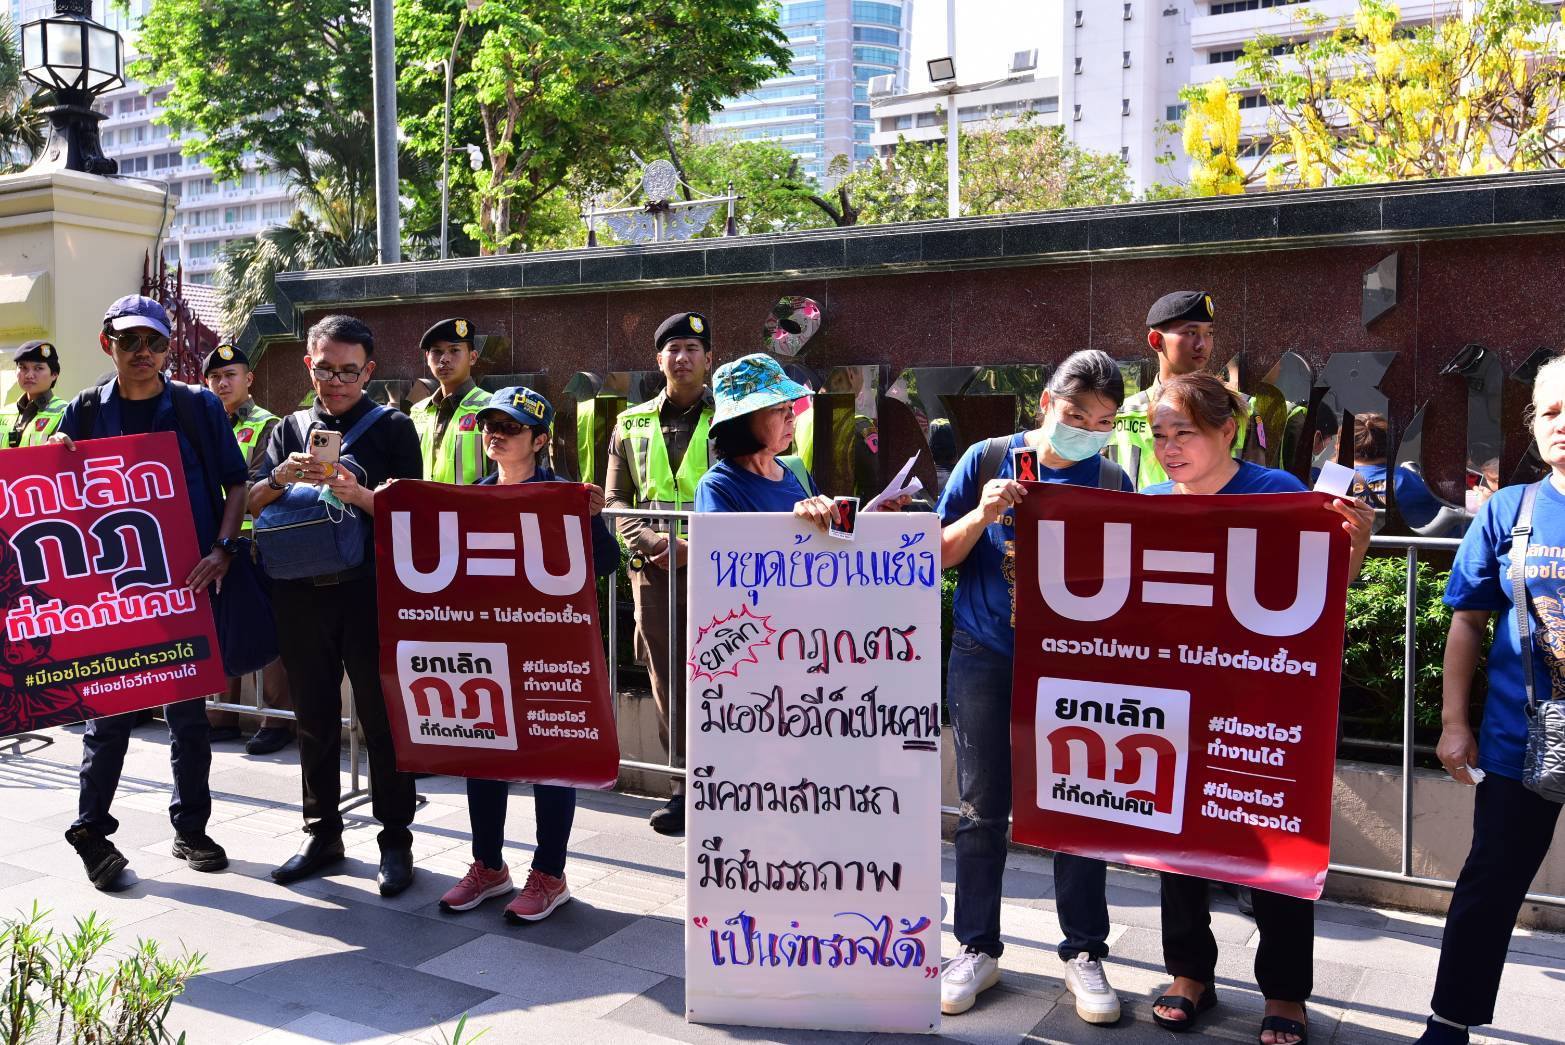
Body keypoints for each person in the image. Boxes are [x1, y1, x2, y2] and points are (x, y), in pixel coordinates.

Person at [1143, 373, 1372, 1045]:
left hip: (1263, 704)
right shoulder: (1149, 503)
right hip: (1177, 698)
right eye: (1158, 434)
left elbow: (1321, 590)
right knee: (1177, 838)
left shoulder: (1277, 493)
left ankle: (1284, 991)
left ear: (1226, 431)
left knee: (1274, 835)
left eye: (1183, 432)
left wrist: (1355, 543)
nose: (1168, 447)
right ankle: (1188, 973)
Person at [933, 351, 1135, 1023]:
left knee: (1079, 807)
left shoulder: (1111, 477)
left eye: (1102, 422)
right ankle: (975, 947)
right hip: (984, 652)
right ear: (1046, 402)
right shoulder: (988, 458)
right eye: (1076, 415)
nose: (1086, 431)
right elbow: (934, 554)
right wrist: (982, 515)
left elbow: (1129, 574)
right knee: (981, 807)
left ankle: (1084, 951)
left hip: (1074, 661)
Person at [51, 296, 249, 891]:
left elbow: (235, 483)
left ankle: (191, 829)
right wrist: (55, 462)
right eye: (130, 340)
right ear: (106, 344)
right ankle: (91, 831)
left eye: (155, 342)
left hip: (183, 586)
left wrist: (223, 548)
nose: (143, 352)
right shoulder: (85, 410)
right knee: (107, 718)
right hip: (114, 593)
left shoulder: (195, 406)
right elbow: (55, 496)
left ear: (168, 348)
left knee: (188, 718)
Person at [1415, 355, 1565, 1045]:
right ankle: (1448, 1024)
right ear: (1532, 423)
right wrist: (1454, 724)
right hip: (1516, 741)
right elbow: (1468, 622)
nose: (1561, 424)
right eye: (1550, 411)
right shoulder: (1511, 509)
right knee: (1488, 888)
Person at [248, 314, 422, 897]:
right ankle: (321, 833)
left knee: (382, 719)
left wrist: (358, 494)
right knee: (314, 718)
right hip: (298, 591)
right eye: (326, 369)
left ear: (369, 371)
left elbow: (413, 515)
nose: (336, 382)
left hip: (368, 591)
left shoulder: (392, 427)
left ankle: (395, 840)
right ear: (309, 365)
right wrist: (280, 475)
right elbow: (252, 502)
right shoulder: (288, 427)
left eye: (349, 371)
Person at [437, 386, 621, 923]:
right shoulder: (473, 494)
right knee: (484, 752)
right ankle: (488, 866)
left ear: (540, 440)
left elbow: (606, 562)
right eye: (489, 425)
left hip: (550, 649)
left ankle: (550, 874)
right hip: (489, 646)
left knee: (551, 758)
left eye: (510, 427)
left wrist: (589, 518)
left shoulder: (566, 494)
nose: (495, 435)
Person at [605, 311, 714, 836]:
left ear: (709, 359)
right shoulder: (631, 422)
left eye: (692, 348)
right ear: (658, 359)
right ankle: (682, 790)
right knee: (667, 677)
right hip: (653, 569)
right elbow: (615, 499)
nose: (682, 357)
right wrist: (651, 543)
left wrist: (694, 546)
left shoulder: (732, 419)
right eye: (673, 348)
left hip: (719, 565)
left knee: (728, 672)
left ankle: (727, 784)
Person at [201, 342, 294, 755]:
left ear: (249, 379)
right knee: (221, 628)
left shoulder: (267, 424)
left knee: (266, 631)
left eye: (230, 375)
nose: (222, 383)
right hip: (213, 543)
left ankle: (276, 719)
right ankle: (221, 715)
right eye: (215, 377)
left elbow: (256, 483)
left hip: (255, 543)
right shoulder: (204, 423)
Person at [1109, 290, 1256, 489]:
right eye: (1191, 333)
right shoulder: (1121, 415)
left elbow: (1261, 492)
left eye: (1209, 333)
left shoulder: (1241, 409)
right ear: (1156, 341)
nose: (1202, 344)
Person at [411, 317, 492, 485]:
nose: (444, 359)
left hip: (474, 502)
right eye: (437, 351)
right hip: (422, 502)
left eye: (454, 350)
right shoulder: (417, 412)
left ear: (472, 357)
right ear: (427, 357)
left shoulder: (491, 408)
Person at [2, 340, 67, 448]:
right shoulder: (3, 413)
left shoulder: (65, 412)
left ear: (54, 375)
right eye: (23, 367)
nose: (29, 375)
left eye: (38, 368)